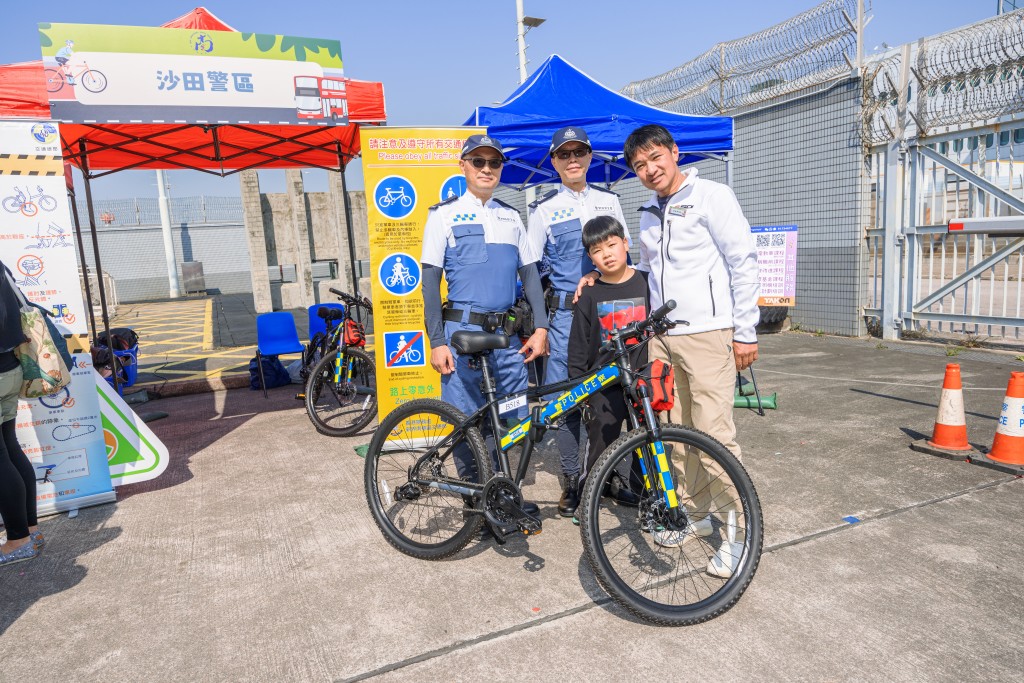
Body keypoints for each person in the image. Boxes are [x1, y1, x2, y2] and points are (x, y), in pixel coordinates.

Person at [623, 124, 759, 574]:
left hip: (708, 334)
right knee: (674, 433)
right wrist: (597, 277)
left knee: (714, 434)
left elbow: (742, 260)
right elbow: (644, 271)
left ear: (674, 152)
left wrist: (746, 330)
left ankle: (737, 534)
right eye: (639, 165)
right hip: (661, 338)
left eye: (655, 158)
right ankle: (695, 513)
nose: (649, 169)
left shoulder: (712, 196)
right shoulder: (646, 211)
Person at [421, 134, 549, 512]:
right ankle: (472, 503)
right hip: (461, 336)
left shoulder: (511, 216)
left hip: (507, 338)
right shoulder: (442, 215)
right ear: (463, 166)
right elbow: (429, 282)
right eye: (478, 162)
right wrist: (435, 341)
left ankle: (503, 493)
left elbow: (530, 276)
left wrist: (540, 327)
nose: (487, 169)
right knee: (465, 420)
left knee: (511, 417)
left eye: (494, 163)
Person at [526, 126, 629, 517]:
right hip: (566, 320)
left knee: (616, 398)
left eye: (579, 152)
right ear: (553, 161)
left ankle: (612, 477)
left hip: (612, 317)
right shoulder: (543, 209)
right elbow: (532, 272)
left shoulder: (610, 202)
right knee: (566, 404)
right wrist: (540, 325)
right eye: (564, 154)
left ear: (589, 157)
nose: (572, 159)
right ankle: (572, 482)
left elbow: (624, 258)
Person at [568, 216, 648, 505]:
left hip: (642, 377)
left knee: (646, 438)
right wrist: (579, 386)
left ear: (626, 244)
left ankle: (644, 495)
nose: (607, 254)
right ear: (590, 258)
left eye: (612, 245)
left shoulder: (646, 282)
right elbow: (578, 344)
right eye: (598, 250)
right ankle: (590, 494)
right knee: (601, 439)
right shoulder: (589, 291)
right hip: (602, 382)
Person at [0, 261, 42, 567]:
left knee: (2, 459)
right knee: (10, 449)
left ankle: (17, 540)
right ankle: (30, 530)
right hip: (10, 369)